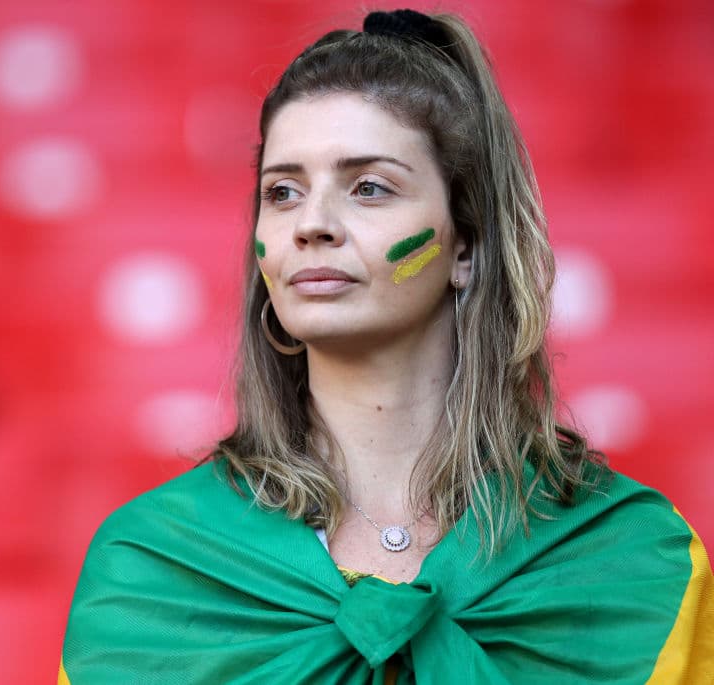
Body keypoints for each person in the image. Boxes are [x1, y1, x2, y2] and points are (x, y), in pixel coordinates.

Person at [59, 9, 713, 683]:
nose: (311, 224)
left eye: (369, 186)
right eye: (282, 192)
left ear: (466, 244)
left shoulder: (636, 560)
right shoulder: (152, 568)